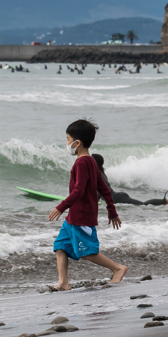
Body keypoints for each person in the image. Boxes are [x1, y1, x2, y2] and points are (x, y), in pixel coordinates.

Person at [47, 119, 127, 290]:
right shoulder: (91, 161)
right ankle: (63, 283)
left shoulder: (82, 163)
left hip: (81, 216)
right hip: (74, 217)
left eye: (68, 139)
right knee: (60, 246)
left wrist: (61, 206)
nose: (67, 143)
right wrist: (111, 211)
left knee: (87, 252)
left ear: (77, 143)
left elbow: (78, 191)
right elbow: (104, 189)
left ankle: (117, 268)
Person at [91, 154, 168, 206]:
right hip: (117, 197)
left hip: (117, 198)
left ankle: (167, 201)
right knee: (143, 204)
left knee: (144, 205)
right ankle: (166, 201)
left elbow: (98, 193)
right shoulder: (101, 173)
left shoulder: (97, 174)